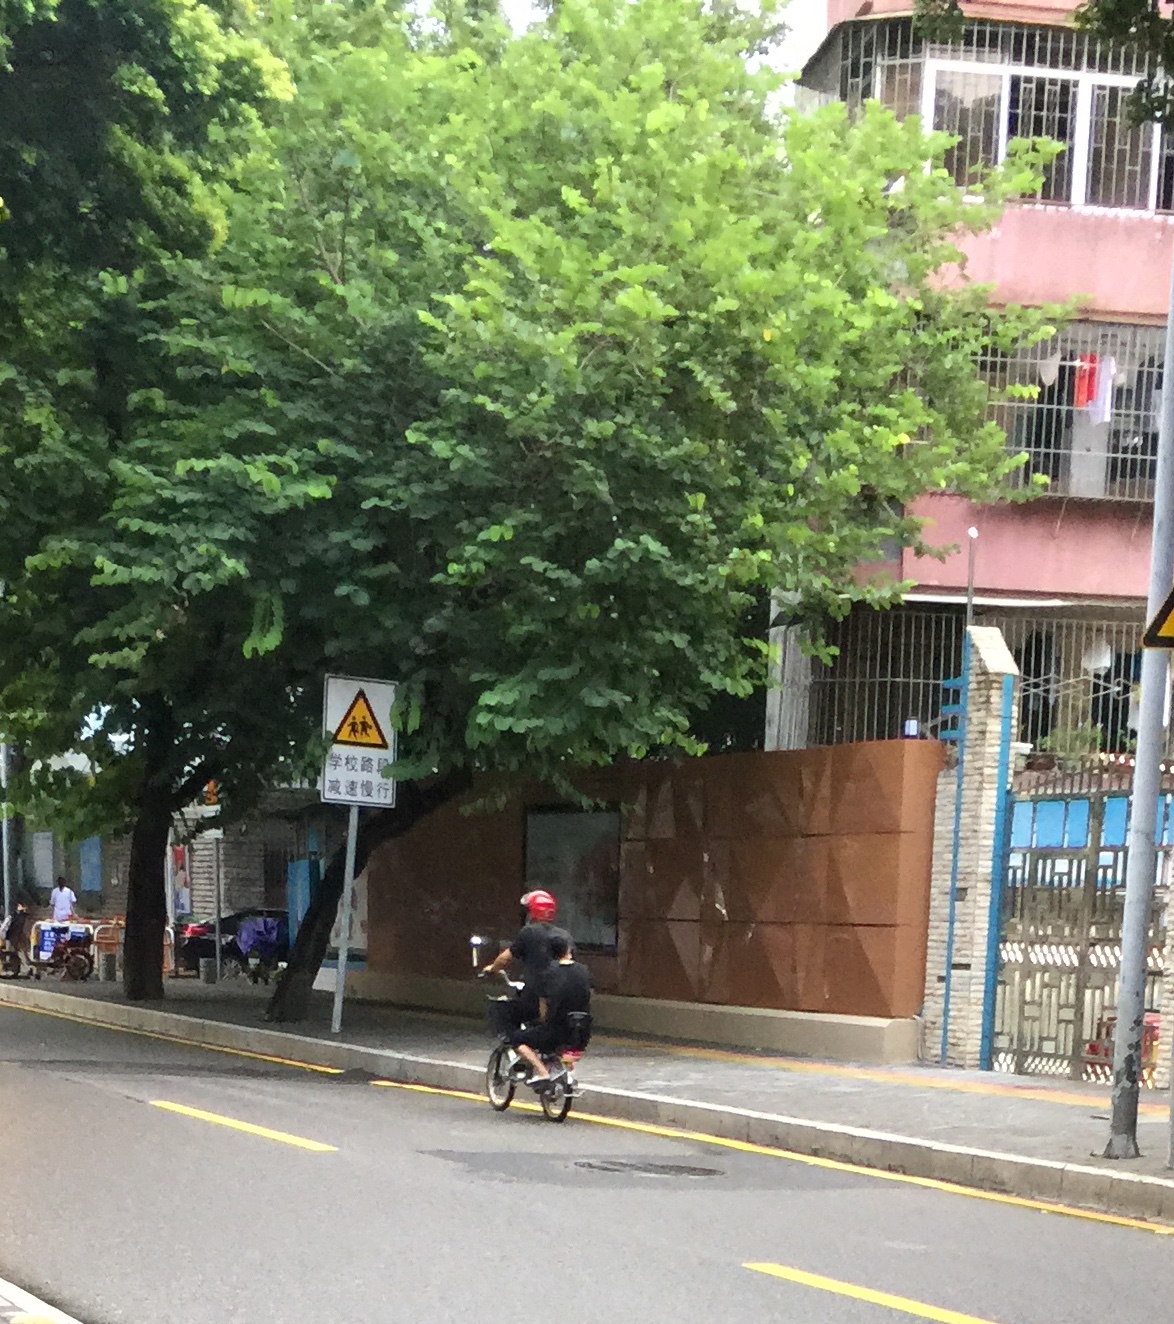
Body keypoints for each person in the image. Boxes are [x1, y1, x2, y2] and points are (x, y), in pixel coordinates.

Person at [511, 928, 593, 1091]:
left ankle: (542, 1072)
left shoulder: (548, 973)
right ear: (568, 950)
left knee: (516, 1039)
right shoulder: (583, 970)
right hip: (582, 1032)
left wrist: (543, 1020)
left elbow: (543, 1007)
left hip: (556, 1031)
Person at [480, 889, 559, 1026]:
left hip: (535, 993)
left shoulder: (529, 932)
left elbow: (505, 958)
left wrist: (492, 969)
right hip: (559, 992)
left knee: (513, 1022)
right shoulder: (563, 935)